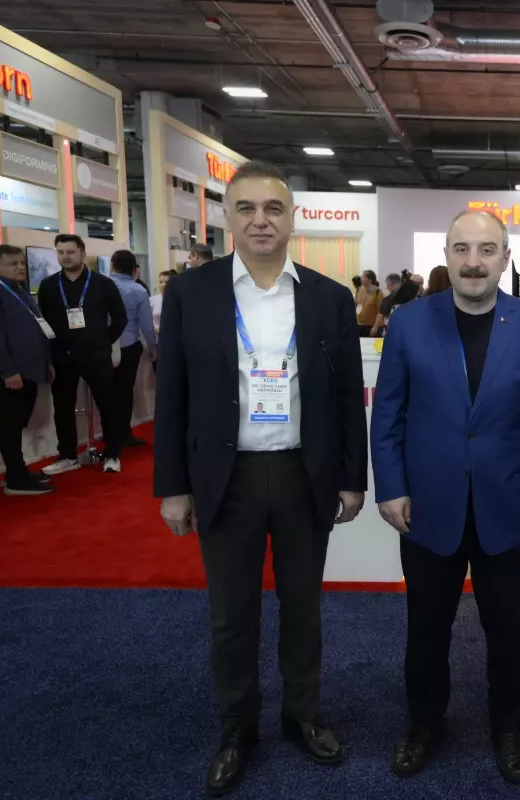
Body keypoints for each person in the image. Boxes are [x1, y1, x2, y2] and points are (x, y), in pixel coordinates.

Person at [154, 160, 367, 797]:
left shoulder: (328, 297)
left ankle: (303, 716)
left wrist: (351, 478)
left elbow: (345, 397)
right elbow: (173, 395)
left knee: (304, 609)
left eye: (273, 208)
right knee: (231, 616)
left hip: (305, 475)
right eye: (246, 208)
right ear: (227, 217)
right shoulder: (193, 293)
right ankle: (237, 728)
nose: (260, 220)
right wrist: (172, 486)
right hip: (227, 477)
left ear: (292, 218)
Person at [371, 210, 520, 784]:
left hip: (510, 506)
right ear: (446, 256)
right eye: (462, 249)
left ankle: (508, 726)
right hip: (428, 505)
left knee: (508, 629)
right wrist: (391, 486)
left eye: (486, 250)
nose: (473, 261)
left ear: (505, 258)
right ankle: (424, 721)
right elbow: (388, 415)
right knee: (426, 626)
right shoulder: (409, 322)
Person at [37, 233, 127, 475]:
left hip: (95, 355)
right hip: (62, 356)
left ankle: (112, 454)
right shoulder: (48, 285)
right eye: (61, 252)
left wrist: (103, 342)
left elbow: (120, 318)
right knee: (62, 407)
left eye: (70, 252)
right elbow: (42, 321)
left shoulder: (103, 284)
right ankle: (68, 456)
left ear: (83, 253)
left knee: (107, 405)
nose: (65, 257)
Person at [0, 244, 55, 496]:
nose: (20, 267)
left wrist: (46, 363)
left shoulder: (19, 291)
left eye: (22, 263)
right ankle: (17, 479)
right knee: (9, 425)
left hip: (29, 370)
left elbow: (38, 327)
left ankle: (15, 473)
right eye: (13, 264)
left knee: (17, 424)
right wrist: (7, 371)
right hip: (8, 373)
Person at [108, 250, 157, 448]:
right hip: (128, 346)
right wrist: (152, 347)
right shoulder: (138, 290)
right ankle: (123, 433)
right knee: (124, 392)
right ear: (134, 268)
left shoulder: (100, 285)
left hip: (102, 346)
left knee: (105, 392)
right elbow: (146, 324)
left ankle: (108, 432)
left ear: (112, 265)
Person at [372, 272, 404, 336]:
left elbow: (380, 316)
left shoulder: (388, 299)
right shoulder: (409, 296)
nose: (387, 288)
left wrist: (374, 328)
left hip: (392, 330)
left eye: (387, 285)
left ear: (390, 285)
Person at [356, 270, 384, 337]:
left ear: (370, 280)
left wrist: (375, 327)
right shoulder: (359, 290)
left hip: (372, 327)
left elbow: (381, 312)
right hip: (360, 326)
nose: (361, 278)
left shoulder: (378, 293)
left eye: (363, 277)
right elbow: (358, 306)